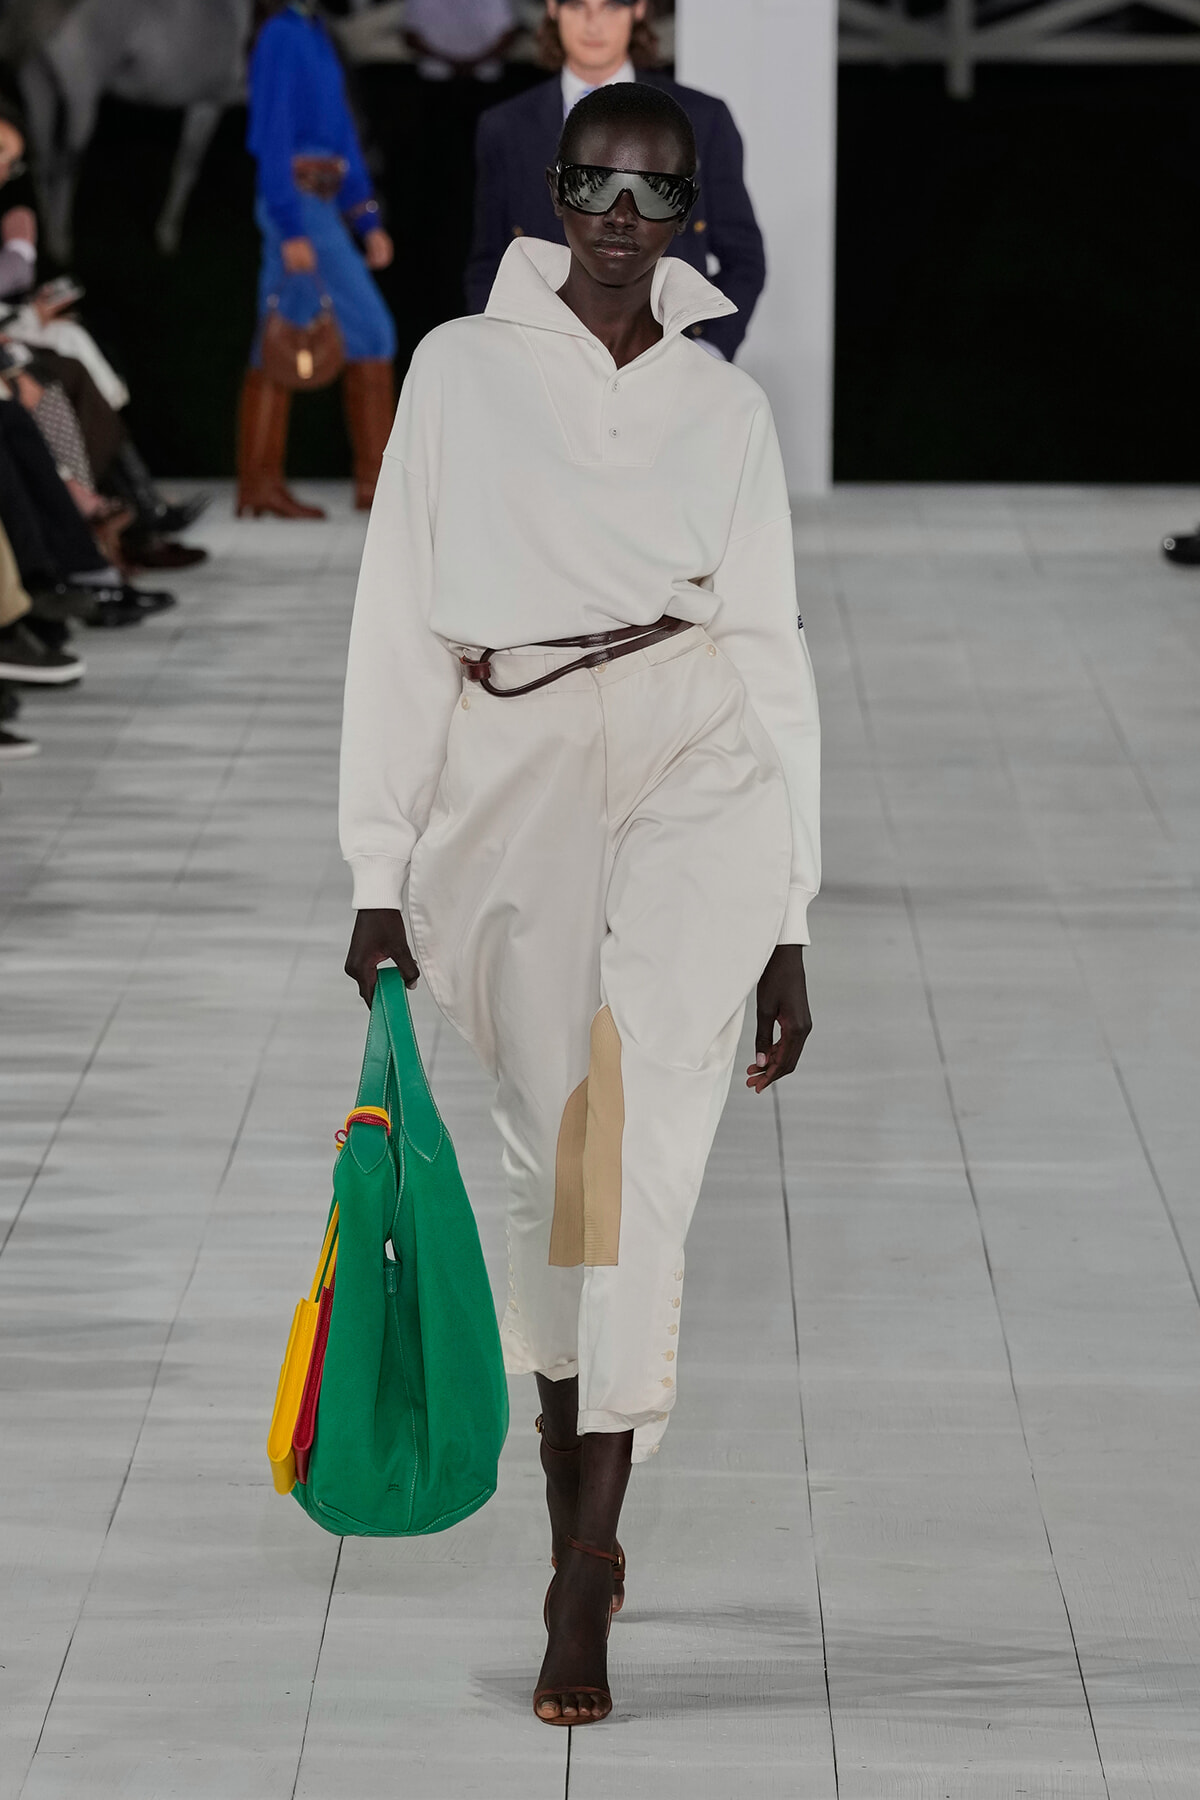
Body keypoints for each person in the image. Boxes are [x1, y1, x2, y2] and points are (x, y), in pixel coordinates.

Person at [340, 82, 819, 1725]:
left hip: (696, 757)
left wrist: (790, 913)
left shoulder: (720, 406)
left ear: (691, 215)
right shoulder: (459, 372)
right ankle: (573, 1495)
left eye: (655, 192)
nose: (622, 217)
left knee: (642, 1150)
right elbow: (397, 619)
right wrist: (378, 870)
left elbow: (770, 650)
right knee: (557, 1164)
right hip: (513, 766)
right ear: (555, 194)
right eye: (595, 185)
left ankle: (589, 1563)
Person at [464, 0, 766, 362]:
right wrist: (502, 354)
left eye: (610, 7)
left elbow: (743, 257)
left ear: (638, 9)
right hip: (541, 358)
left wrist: (706, 350)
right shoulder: (506, 127)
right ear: (553, 7)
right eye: (578, 6)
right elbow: (489, 262)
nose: (593, 23)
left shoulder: (703, 119)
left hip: (667, 353)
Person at [239, 0, 397, 519]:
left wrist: (366, 217)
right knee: (371, 333)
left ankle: (259, 485)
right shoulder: (280, 35)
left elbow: (342, 134)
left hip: (320, 204)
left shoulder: (315, 31)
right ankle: (374, 484)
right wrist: (289, 224)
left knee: (281, 330)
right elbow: (272, 135)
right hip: (298, 207)